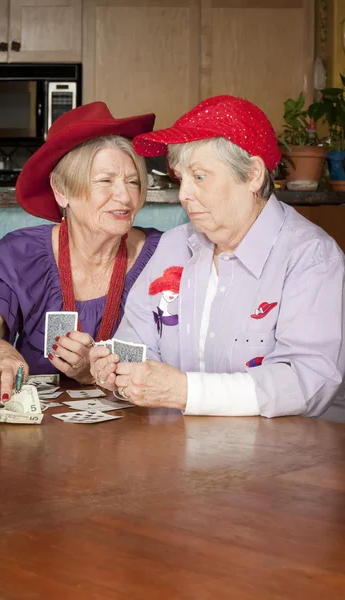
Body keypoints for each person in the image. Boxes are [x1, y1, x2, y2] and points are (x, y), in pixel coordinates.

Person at [90, 95, 345, 419]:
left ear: (252, 175)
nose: (183, 194)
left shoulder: (311, 258)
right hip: (175, 456)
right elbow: (135, 340)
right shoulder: (171, 247)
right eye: (181, 179)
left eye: (199, 177)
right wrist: (114, 368)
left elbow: (307, 382)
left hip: (282, 462)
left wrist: (186, 392)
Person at [0, 102, 162, 401]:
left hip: (139, 430)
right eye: (105, 181)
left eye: (133, 182)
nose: (125, 196)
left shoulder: (164, 255)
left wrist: (98, 373)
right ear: (62, 190)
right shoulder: (22, 254)